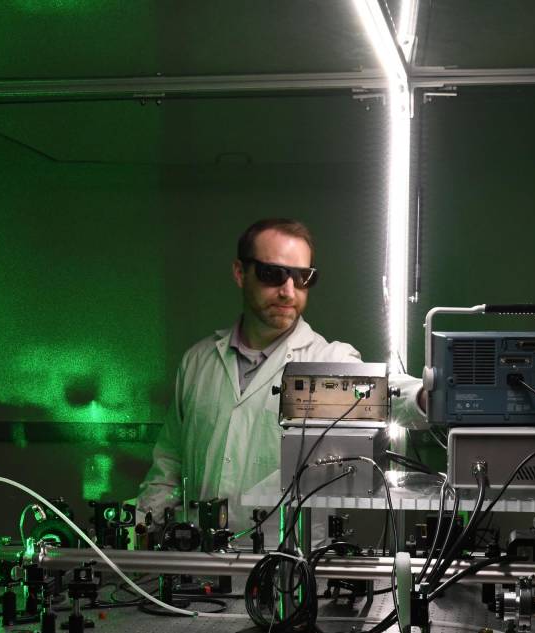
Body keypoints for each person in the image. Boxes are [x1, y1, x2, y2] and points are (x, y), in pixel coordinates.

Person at [137, 218, 424, 538]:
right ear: (239, 273)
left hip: (288, 570)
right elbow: (167, 468)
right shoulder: (198, 362)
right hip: (200, 565)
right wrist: (143, 530)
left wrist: (430, 396)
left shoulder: (324, 361)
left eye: (302, 278)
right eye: (272, 274)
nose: (288, 291)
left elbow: (386, 392)